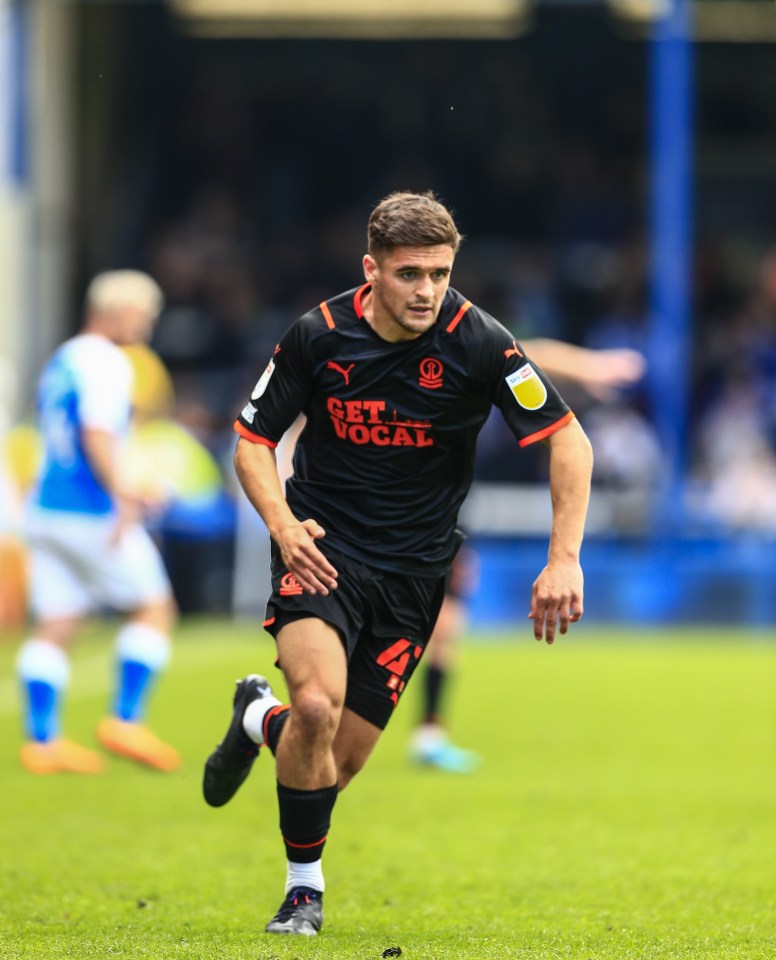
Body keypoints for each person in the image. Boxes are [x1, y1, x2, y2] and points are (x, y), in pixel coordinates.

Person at [203, 191, 593, 936]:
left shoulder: (480, 342)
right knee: (317, 707)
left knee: (334, 764)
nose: (427, 291)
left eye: (440, 273)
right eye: (410, 273)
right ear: (371, 270)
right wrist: (283, 525)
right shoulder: (318, 335)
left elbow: (567, 440)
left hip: (415, 575)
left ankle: (255, 717)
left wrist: (563, 558)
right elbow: (252, 440)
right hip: (321, 552)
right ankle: (303, 893)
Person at [409, 341, 646, 772]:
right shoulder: (394, 362)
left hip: (449, 516)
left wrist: (588, 366)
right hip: (390, 511)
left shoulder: (466, 344)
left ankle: (429, 733)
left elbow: (525, 351)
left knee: (446, 626)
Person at [15, 270, 180, 775]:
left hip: (44, 509)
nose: (147, 326)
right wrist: (126, 491)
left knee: (57, 623)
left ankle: (42, 741)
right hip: (89, 511)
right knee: (154, 609)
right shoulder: (108, 362)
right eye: (143, 315)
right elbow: (96, 433)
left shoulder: (65, 357)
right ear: (113, 311)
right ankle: (125, 720)